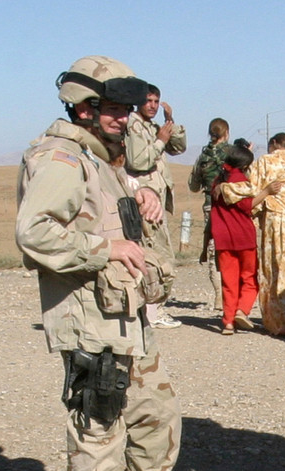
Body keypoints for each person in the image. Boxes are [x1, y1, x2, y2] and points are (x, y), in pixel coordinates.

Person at [15, 56, 198, 471]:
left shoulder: (102, 159)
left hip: (125, 313)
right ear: (83, 107)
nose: (127, 117)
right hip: (88, 314)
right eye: (114, 108)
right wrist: (102, 249)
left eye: (127, 107)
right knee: (98, 422)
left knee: (155, 414)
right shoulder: (61, 157)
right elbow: (34, 233)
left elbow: (99, 210)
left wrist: (137, 199)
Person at [221, 132, 285, 336]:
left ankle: (275, 322)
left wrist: (227, 188)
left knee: (272, 270)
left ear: (273, 144)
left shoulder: (265, 161)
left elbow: (251, 187)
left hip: (273, 220)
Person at [125, 84, 187, 329]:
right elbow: (138, 160)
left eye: (155, 101)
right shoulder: (133, 125)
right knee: (156, 256)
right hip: (144, 200)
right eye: (148, 100)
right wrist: (160, 141)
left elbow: (179, 147)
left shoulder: (151, 126)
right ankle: (151, 310)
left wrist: (170, 122)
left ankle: (151, 308)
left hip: (157, 200)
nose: (152, 105)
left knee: (159, 253)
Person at [210, 145, 259, 335]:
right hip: (244, 237)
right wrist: (267, 192)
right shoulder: (240, 181)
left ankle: (228, 322)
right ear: (246, 164)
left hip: (223, 238)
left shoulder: (218, 181)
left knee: (229, 282)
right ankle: (242, 310)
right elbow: (248, 206)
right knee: (249, 278)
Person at [189, 118, 231, 311]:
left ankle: (219, 296)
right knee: (232, 248)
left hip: (210, 205)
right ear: (226, 133)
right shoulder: (232, 154)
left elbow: (193, 185)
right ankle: (232, 294)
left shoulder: (203, 156)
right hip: (231, 206)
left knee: (214, 249)